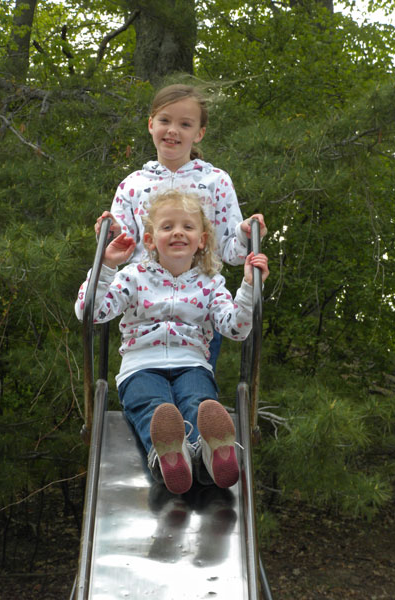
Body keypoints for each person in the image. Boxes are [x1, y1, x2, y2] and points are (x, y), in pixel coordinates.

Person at [75, 190, 269, 495]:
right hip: (141, 366)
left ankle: (210, 454)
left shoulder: (211, 283)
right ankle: (167, 456)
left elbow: (236, 328)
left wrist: (247, 286)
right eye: (167, 227)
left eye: (187, 227)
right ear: (150, 240)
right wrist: (107, 266)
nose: (178, 232)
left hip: (191, 363)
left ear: (201, 239)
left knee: (199, 404)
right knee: (154, 408)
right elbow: (92, 312)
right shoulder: (134, 276)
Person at [95, 83, 267, 370]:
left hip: (197, 302)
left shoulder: (216, 181)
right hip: (144, 301)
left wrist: (245, 233)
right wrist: (110, 231)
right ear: (151, 125)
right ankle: (154, 407)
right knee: (149, 377)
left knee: (194, 377)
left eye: (184, 124)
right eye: (164, 120)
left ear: (198, 133)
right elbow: (122, 247)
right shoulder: (134, 184)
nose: (172, 130)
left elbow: (232, 252)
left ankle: (195, 410)